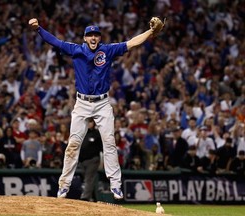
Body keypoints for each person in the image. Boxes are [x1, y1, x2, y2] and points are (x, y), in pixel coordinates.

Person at [28, 16, 164, 199]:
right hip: (82, 103)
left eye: (96, 35)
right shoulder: (76, 50)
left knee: (109, 143)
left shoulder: (107, 51)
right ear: (85, 38)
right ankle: (64, 185)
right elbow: (55, 41)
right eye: (90, 35)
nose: (93, 38)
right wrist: (38, 29)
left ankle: (115, 185)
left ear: (99, 38)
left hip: (102, 103)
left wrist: (150, 32)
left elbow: (131, 43)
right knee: (73, 145)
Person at [78, 118, 103, 201]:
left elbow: (103, 148)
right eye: (87, 122)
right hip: (82, 161)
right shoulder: (82, 133)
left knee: (88, 178)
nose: (89, 124)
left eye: (90, 122)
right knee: (87, 179)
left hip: (93, 160)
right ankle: (94, 196)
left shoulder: (97, 134)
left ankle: (85, 198)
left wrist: (104, 160)